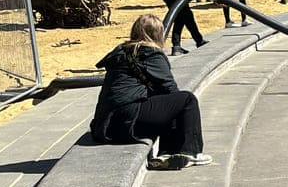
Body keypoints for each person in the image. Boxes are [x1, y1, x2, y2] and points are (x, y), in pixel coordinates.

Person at [89, 14, 211, 169]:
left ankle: (166, 155)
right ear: (158, 34)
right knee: (186, 100)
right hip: (127, 120)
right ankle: (190, 152)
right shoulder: (150, 53)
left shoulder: (121, 52)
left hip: (105, 125)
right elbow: (170, 90)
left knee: (164, 103)